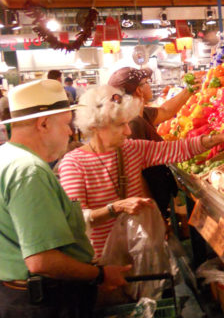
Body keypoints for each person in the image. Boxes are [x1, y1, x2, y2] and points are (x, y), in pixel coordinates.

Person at [58, 85, 224, 258]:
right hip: (102, 262)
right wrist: (115, 208)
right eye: (120, 125)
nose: (128, 131)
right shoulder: (73, 165)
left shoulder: (131, 149)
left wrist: (221, 138)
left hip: (140, 252)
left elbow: (178, 150)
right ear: (95, 127)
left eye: (127, 123)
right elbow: (76, 221)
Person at [0, 79, 129, 317]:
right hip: (44, 302)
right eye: (66, 124)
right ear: (44, 124)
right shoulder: (29, 171)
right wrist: (100, 275)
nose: (71, 132)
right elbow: (42, 261)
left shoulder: (6, 156)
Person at [107, 67, 202, 216]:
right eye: (147, 82)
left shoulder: (140, 113)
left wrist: (189, 90)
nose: (150, 85)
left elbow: (166, 111)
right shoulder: (132, 124)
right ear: (139, 90)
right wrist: (151, 211)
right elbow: (136, 174)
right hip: (148, 202)